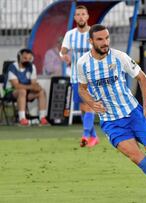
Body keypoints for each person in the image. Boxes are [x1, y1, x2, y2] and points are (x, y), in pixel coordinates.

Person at [77, 24, 146, 201]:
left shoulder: (119, 57)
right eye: (100, 39)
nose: (105, 42)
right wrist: (91, 102)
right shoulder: (83, 63)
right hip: (111, 122)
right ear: (91, 41)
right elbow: (81, 89)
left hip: (133, 113)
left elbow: (142, 78)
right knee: (137, 158)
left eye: (107, 38)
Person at [60, 5, 98, 147]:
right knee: (82, 107)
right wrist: (64, 56)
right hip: (76, 77)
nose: (81, 17)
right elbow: (62, 51)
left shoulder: (94, 33)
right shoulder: (70, 34)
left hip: (92, 77)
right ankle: (93, 135)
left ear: (87, 16)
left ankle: (86, 135)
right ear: (75, 17)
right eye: (78, 14)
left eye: (83, 14)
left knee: (88, 106)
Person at [4, 48, 49, 126]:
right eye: (25, 58)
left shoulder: (32, 67)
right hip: (11, 92)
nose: (27, 60)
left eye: (29, 59)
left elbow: (34, 84)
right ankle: (22, 119)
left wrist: (37, 87)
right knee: (22, 91)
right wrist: (32, 87)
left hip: (26, 92)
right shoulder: (12, 67)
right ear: (19, 57)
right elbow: (16, 85)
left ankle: (42, 118)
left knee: (41, 91)